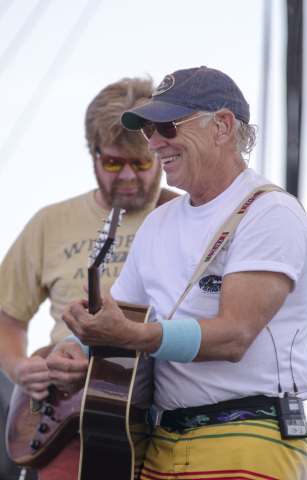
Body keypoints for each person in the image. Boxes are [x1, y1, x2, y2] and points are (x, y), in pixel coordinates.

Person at [47, 67, 307, 480]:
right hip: (159, 444)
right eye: (150, 130)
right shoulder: (159, 222)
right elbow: (118, 313)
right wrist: (73, 347)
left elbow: (234, 335)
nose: (154, 142)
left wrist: (132, 336)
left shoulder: (270, 211)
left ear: (222, 126)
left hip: (250, 438)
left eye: (168, 127)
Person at [0, 76, 178, 480]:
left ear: (162, 155)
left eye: (143, 163)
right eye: (114, 162)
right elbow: (7, 317)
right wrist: (19, 367)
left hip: (163, 424)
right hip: (65, 425)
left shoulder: (186, 218)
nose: (129, 177)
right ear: (93, 154)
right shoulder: (49, 222)